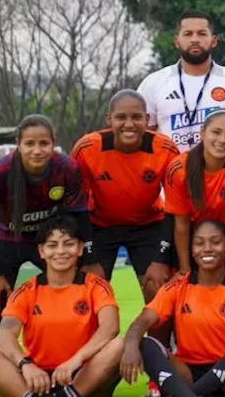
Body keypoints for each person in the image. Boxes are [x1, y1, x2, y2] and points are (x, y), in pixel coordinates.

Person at [120, 219, 225, 397]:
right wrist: (131, 346)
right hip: (188, 373)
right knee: (146, 344)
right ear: (192, 251)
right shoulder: (178, 287)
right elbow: (142, 321)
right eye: (199, 243)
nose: (207, 248)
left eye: (216, 242)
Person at [0, 215, 123, 397]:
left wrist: (75, 361)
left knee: (120, 345)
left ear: (80, 249)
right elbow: (4, 336)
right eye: (52, 245)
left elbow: (110, 328)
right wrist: (25, 364)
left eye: (68, 244)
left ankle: (69, 395)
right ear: (42, 251)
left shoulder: (96, 286)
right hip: (38, 376)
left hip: (83, 374)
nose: (60, 251)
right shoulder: (27, 291)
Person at [0, 114, 91, 346]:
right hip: (5, 242)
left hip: (47, 242)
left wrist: (88, 256)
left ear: (53, 142)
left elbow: (79, 215)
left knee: (69, 295)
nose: (37, 150)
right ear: (18, 144)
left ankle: (73, 356)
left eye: (43, 143)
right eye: (29, 143)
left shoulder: (67, 168)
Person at [73, 89, 181, 303]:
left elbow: (176, 207)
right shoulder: (87, 149)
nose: (129, 124)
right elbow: (76, 207)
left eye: (136, 117)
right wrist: (89, 255)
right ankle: (99, 338)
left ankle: (157, 338)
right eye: (121, 117)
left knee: (157, 289)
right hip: (100, 225)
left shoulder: (166, 149)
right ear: (109, 120)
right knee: (89, 291)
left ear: (147, 119)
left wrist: (161, 259)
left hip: (147, 225)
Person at [138, 9, 225, 152]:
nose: (195, 39)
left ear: (213, 41)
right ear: (177, 41)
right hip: (169, 171)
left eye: (202, 33)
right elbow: (143, 134)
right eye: (188, 34)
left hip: (220, 172)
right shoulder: (153, 83)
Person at [162, 110, 225, 278]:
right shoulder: (178, 168)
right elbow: (181, 223)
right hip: (195, 232)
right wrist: (185, 269)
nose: (222, 140)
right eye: (216, 132)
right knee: (177, 282)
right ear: (202, 133)